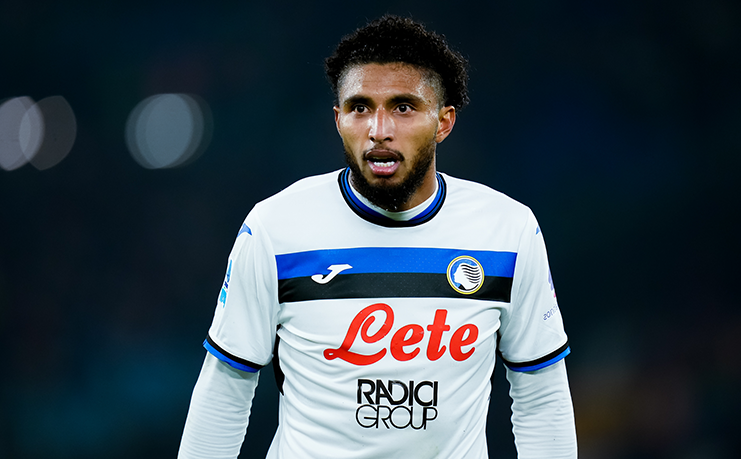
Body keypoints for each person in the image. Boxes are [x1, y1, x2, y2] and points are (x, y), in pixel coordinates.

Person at [178, 15, 577, 459]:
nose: (379, 129)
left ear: (443, 122)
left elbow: (541, 395)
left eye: (403, 107)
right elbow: (226, 389)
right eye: (360, 107)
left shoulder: (508, 231)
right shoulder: (276, 228)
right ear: (338, 119)